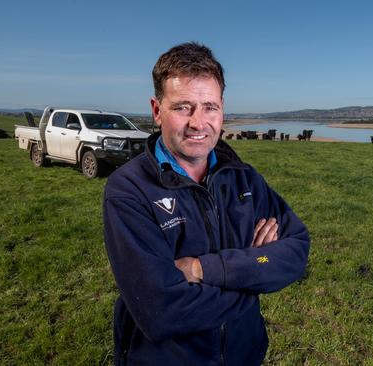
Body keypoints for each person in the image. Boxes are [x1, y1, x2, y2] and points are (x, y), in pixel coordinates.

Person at [103, 42, 310, 365]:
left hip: (244, 354)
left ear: (222, 108)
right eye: (183, 107)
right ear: (157, 111)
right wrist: (253, 274)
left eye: (209, 107)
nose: (199, 123)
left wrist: (203, 269)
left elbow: (296, 251)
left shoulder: (244, 179)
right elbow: (161, 311)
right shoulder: (130, 190)